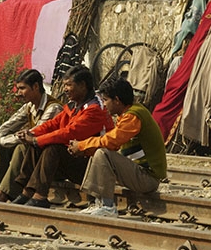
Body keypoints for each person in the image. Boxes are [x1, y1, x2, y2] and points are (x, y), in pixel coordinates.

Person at [11, 65, 111, 208]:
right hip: (76, 158)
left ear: (82, 85)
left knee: (53, 148)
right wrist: (33, 133)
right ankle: (27, 191)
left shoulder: (94, 109)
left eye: (69, 85)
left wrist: (36, 140)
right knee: (36, 145)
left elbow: (69, 133)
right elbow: (54, 123)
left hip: (92, 165)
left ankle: (40, 195)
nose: (65, 89)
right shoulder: (74, 105)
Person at [70, 77, 167, 217]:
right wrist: (83, 148)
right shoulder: (128, 114)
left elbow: (111, 141)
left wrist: (82, 145)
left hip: (148, 178)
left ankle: (107, 206)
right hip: (140, 174)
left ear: (116, 100)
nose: (103, 104)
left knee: (102, 153)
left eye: (105, 100)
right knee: (99, 153)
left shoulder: (133, 116)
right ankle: (98, 202)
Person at [0, 69, 63, 202]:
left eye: (22, 88)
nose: (18, 93)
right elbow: (7, 126)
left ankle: (5, 193)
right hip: (35, 151)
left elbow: (33, 133)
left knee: (20, 147)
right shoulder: (29, 106)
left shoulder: (53, 108)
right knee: (2, 145)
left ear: (36, 87)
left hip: (48, 156)